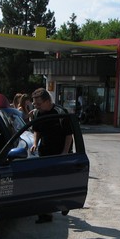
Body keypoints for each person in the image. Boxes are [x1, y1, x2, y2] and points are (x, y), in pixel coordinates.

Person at [30, 88, 74, 223]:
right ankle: (45, 214)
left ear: (47, 101)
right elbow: (37, 130)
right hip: (44, 153)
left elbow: (69, 135)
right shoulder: (37, 113)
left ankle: (64, 203)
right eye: (35, 104)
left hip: (60, 154)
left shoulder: (60, 113)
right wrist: (35, 143)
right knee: (44, 184)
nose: (36, 106)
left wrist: (65, 152)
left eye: (39, 104)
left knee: (60, 182)